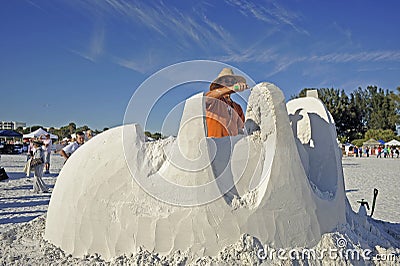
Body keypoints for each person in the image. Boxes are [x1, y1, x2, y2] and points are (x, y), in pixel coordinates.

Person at [205, 68, 248, 138]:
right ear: (219, 83)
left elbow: (241, 129)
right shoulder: (214, 100)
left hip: (232, 146)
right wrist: (231, 89)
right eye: (226, 81)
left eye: (232, 81)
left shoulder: (238, 107)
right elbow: (206, 99)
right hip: (214, 145)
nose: (230, 83)